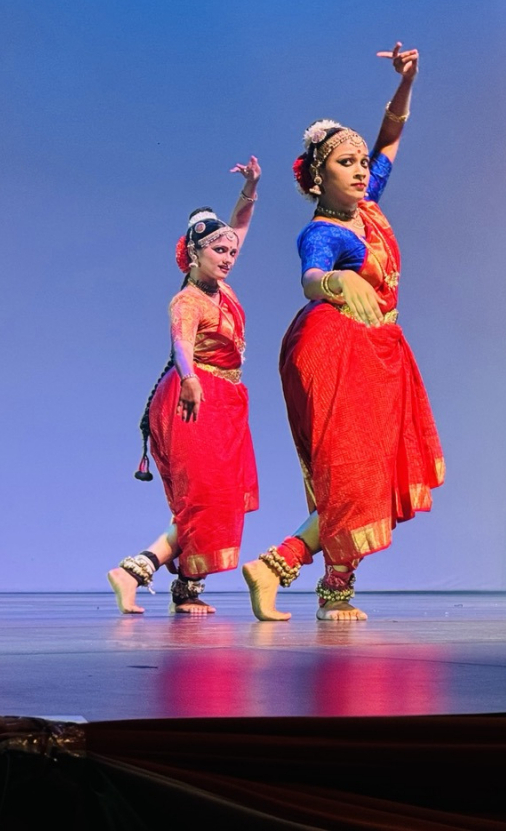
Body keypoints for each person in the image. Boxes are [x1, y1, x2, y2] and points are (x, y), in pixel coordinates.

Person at [242, 44, 445, 622]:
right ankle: (318, 583)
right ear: (317, 178)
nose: (360, 170)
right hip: (336, 346)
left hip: (378, 349)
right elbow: (310, 277)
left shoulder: (367, 204)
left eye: (361, 163)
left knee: (369, 475)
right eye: (345, 164)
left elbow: (389, 138)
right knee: (354, 472)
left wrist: (408, 81)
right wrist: (334, 284)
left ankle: (298, 574)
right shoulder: (325, 230)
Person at [107, 158, 262, 615]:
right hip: (193, 399)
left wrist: (251, 188)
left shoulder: (223, 287)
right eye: (220, 252)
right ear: (196, 253)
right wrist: (192, 379)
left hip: (226, 400)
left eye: (232, 253)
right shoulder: (188, 300)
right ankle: (134, 570)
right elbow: (180, 345)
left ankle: (187, 590)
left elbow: (237, 227)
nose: (229, 258)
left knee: (221, 497)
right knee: (205, 498)